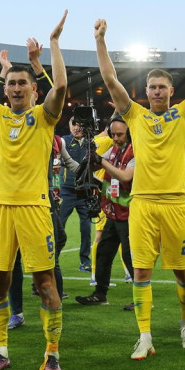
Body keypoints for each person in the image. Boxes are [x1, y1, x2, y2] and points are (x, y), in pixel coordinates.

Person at [96, 14, 185, 359]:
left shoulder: (184, 114)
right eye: (152, 87)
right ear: (146, 91)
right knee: (140, 271)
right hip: (143, 204)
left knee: (182, 270)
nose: (156, 92)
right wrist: (101, 40)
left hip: (175, 203)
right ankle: (145, 336)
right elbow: (110, 79)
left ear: (171, 91)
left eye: (162, 87)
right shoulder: (135, 115)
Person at [0, 9, 68, 370]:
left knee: (45, 283)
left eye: (24, 83)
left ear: (34, 89)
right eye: (12, 84)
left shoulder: (44, 117)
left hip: (35, 208)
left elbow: (62, 89)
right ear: (5, 89)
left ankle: (52, 354)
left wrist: (48, 52)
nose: (18, 88)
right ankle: (0, 351)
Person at [76, 116, 135, 306]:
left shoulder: (136, 151)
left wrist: (100, 160)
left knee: (130, 256)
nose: (116, 138)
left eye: (120, 134)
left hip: (130, 214)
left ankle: (143, 298)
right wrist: (90, 156)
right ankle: (100, 294)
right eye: (113, 134)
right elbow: (95, 165)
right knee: (103, 252)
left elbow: (125, 177)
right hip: (114, 212)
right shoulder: (113, 150)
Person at [60, 116, 94, 273]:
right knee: (59, 226)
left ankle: (85, 261)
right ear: (69, 126)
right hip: (66, 192)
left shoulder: (91, 142)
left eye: (80, 124)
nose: (76, 127)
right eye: (73, 124)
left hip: (84, 191)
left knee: (86, 228)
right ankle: (52, 259)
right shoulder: (63, 141)